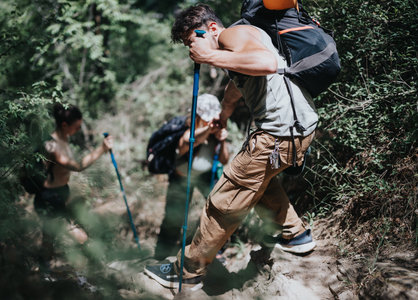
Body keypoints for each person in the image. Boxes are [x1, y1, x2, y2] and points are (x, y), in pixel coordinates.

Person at [144, 3, 318, 290]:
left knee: (221, 202)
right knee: (261, 183)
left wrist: (210, 54)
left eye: (192, 40)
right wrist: (224, 115)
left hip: (277, 136)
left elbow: (266, 64)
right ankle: (295, 235)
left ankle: (186, 271)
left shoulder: (233, 35)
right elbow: (236, 86)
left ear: (211, 28)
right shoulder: (235, 47)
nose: (192, 49)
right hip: (295, 132)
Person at [154, 94, 230, 260]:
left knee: (218, 209)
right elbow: (184, 145)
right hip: (182, 178)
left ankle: (212, 250)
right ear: (197, 116)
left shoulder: (215, 132)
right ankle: (161, 256)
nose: (210, 121)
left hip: (205, 176)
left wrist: (222, 140)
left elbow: (224, 159)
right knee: (174, 217)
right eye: (206, 118)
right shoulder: (190, 130)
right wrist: (209, 129)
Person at [35, 102, 113, 263]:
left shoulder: (64, 139)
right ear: (64, 125)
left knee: (49, 238)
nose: (78, 130)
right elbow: (76, 166)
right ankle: (99, 268)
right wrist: (101, 149)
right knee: (80, 237)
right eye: (77, 127)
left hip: (61, 193)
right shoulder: (52, 145)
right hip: (49, 198)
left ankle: (44, 272)